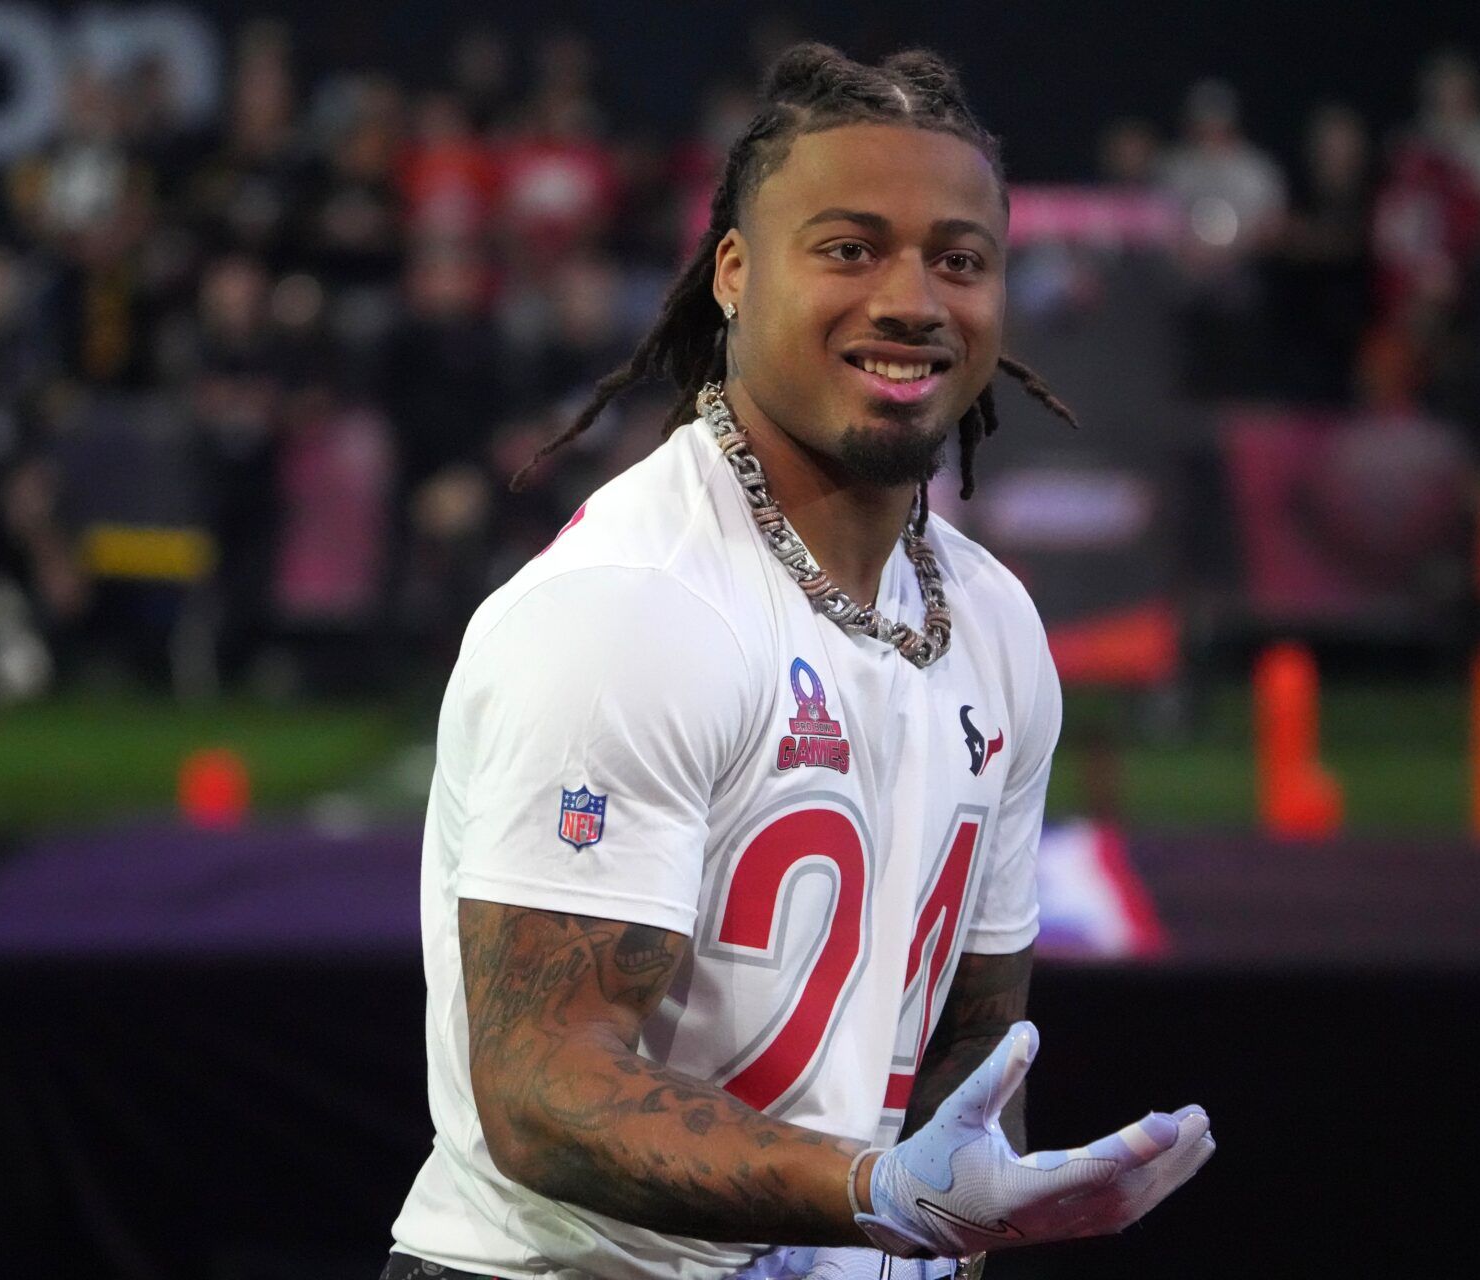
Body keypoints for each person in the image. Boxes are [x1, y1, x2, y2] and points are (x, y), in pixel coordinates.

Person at [384, 43, 1213, 1280]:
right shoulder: (637, 606)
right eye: (849, 248)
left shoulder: (992, 622)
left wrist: (951, 1221)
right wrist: (875, 1196)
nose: (911, 299)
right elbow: (545, 1088)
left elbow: (965, 1064)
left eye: (959, 258)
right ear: (732, 271)